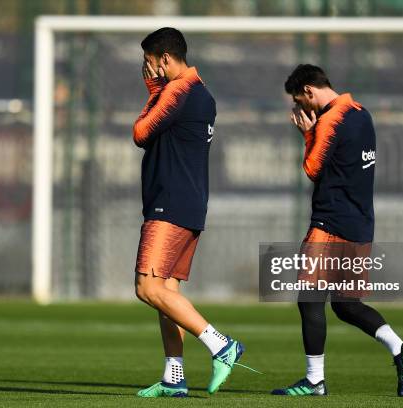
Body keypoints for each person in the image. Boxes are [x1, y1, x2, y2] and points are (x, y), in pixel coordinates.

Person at [271, 64, 403, 397]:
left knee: (309, 300)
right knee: (346, 304)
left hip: (330, 223)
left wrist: (307, 134)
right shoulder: (361, 113)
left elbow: (312, 169)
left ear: (310, 91)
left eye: (300, 101)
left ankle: (314, 381)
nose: (301, 109)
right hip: (360, 223)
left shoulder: (329, 120)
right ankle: (401, 349)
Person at [132, 27, 245, 398]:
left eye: (150, 63)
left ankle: (221, 345)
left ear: (165, 59)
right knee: (167, 291)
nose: (148, 71)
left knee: (147, 288)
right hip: (190, 203)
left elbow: (141, 132)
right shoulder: (203, 93)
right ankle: (174, 375)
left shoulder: (177, 91)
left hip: (170, 204)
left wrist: (153, 91)